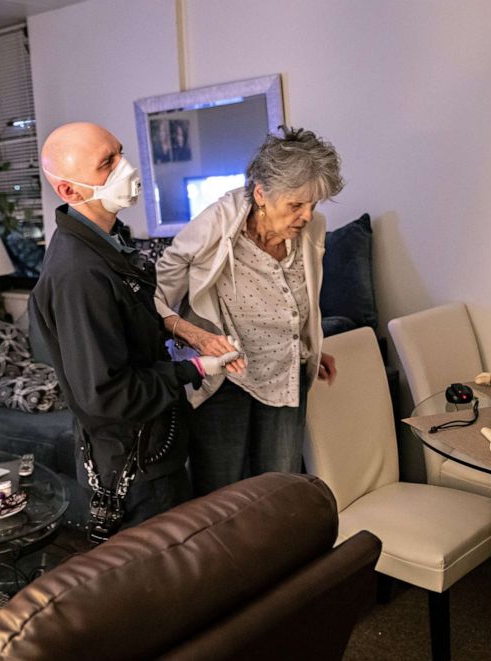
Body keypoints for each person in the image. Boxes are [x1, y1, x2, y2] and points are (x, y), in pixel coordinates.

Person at [30, 122, 236, 543]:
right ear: (69, 191)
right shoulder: (79, 274)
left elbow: (136, 312)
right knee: (158, 583)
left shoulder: (110, 242)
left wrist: (186, 331)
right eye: (107, 163)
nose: (125, 167)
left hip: (156, 444)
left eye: (119, 153)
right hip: (132, 464)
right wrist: (191, 369)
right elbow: (106, 394)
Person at [155, 127, 344, 496]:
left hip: (285, 374)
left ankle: (277, 554)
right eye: (296, 205)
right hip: (226, 375)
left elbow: (296, 298)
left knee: (279, 488)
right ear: (261, 194)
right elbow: (160, 293)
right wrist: (195, 336)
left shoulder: (311, 227)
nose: (306, 216)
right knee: (223, 494)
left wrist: (308, 345)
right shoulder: (219, 220)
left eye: (314, 205)